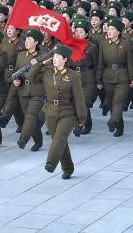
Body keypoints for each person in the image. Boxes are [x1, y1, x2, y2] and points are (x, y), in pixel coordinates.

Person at [41, 44, 86, 179]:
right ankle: (68, 168)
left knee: (59, 138)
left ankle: (51, 162)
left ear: (65, 59)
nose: (54, 59)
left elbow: (79, 99)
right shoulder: (47, 72)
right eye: (53, 56)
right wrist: (42, 62)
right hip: (51, 111)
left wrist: (81, 120)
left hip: (68, 112)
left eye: (58, 57)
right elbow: (31, 75)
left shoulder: (73, 76)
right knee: (59, 141)